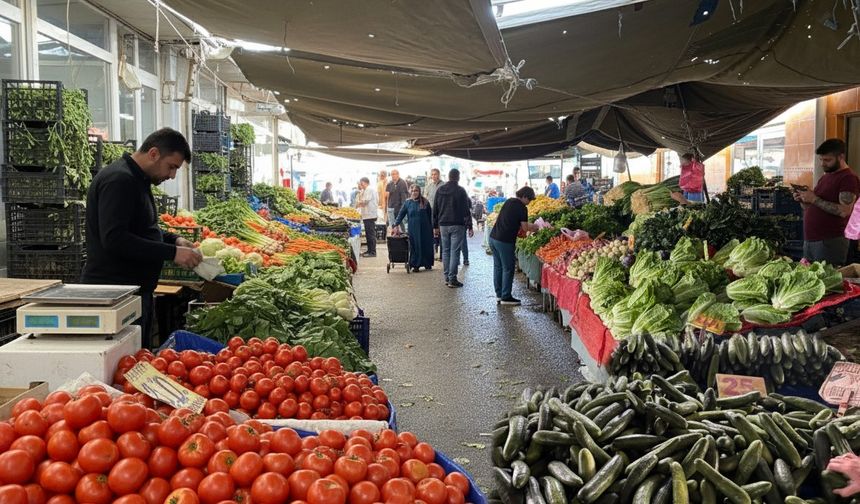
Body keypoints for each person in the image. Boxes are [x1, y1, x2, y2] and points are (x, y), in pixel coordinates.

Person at [81, 128, 200, 348]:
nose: (172, 175)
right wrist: (172, 253)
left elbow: (143, 229)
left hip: (132, 293)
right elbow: (115, 239)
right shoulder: (119, 180)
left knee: (137, 361)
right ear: (154, 153)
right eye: (171, 167)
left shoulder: (136, 180)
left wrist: (175, 240)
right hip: (115, 295)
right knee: (124, 368)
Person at [795, 138, 860, 265]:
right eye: (821, 159)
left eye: (827, 160)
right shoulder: (826, 177)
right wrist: (804, 200)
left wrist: (813, 198)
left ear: (841, 157)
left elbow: (844, 211)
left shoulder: (848, 178)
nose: (822, 164)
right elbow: (813, 206)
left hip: (830, 241)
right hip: (811, 239)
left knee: (826, 280)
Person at [490, 187, 540, 305]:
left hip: (493, 237)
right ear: (524, 197)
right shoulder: (522, 208)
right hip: (504, 241)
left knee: (498, 267)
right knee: (508, 268)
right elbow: (524, 228)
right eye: (529, 200)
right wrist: (535, 227)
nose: (529, 202)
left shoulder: (509, 201)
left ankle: (499, 295)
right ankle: (506, 297)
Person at [433, 169, 473, 288]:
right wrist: (470, 226)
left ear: (448, 177)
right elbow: (466, 211)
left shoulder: (440, 190)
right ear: (458, 177)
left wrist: (435, 226)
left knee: (445, 251)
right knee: (455, 251)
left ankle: (447, 277)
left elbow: (435, 209)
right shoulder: (461, 191)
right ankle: (452, 279)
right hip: (457, 224)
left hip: (443, 224)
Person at [391, 185, 435, 272]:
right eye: (413, 191)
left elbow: (430, 216)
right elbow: (401, 214)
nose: (414, 192)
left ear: (419, 192)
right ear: (410, 192)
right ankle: (416, 264)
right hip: (413, 229)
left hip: (425, 228)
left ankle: (427, 263)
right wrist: (395, 224)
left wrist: (433, 228)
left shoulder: (425, 202)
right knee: (415, 246)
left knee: (425, 245)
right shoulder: (408, 203)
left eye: (416, 191)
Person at [424, 168, 445, 259]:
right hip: (430, 212)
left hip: (441, 212)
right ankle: (432, 254)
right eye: (432, 174)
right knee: (431, 233)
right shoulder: (429, 186)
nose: (433, 176)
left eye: (435, 174)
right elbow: (425, 198)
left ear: (439, 175)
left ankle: (442, 255)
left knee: (441, 234)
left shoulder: (443, 185)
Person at [357, 177, 378, 257]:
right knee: (368, 234)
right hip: (367, 215)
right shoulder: (365, 190)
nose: (360, 185)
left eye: (361, 183)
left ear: (364, 182)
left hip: (370, 215)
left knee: (370, 234)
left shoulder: (369, 189)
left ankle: (372, 252)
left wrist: (359, 203)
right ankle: (369, 250)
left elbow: (365, 201)